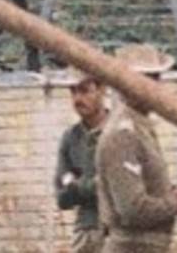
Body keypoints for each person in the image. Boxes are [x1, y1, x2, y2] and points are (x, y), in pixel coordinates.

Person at [95, 44, 177, 253]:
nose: (149, 88)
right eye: (140, 81)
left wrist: (173, 189)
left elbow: (147, 184)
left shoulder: (140, 125)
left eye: (154, 79)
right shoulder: (122, 134)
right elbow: (132, 209)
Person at [55, 68, 110, 253]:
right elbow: (62, 198)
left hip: (120, 232)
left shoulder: (119, 131)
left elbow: (119, 187)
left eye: (84, 90)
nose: (78, 99)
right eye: (73, 91)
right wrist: (93, 184)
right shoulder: (71, 138)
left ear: (101, 90)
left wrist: (77, 184)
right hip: (86, 232)